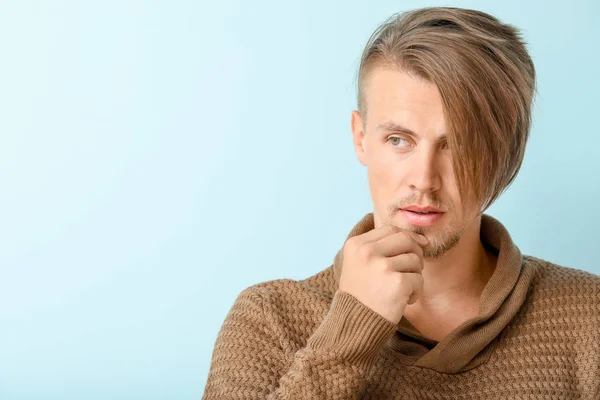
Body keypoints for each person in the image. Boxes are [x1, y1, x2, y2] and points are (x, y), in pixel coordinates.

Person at [202, 6, 600, 399]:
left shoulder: (588, 317)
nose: (424, 180)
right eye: (399, 140)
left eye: (458, 145)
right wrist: (349, 335)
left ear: (507, 150)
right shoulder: (270, 318)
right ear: (360, 138)